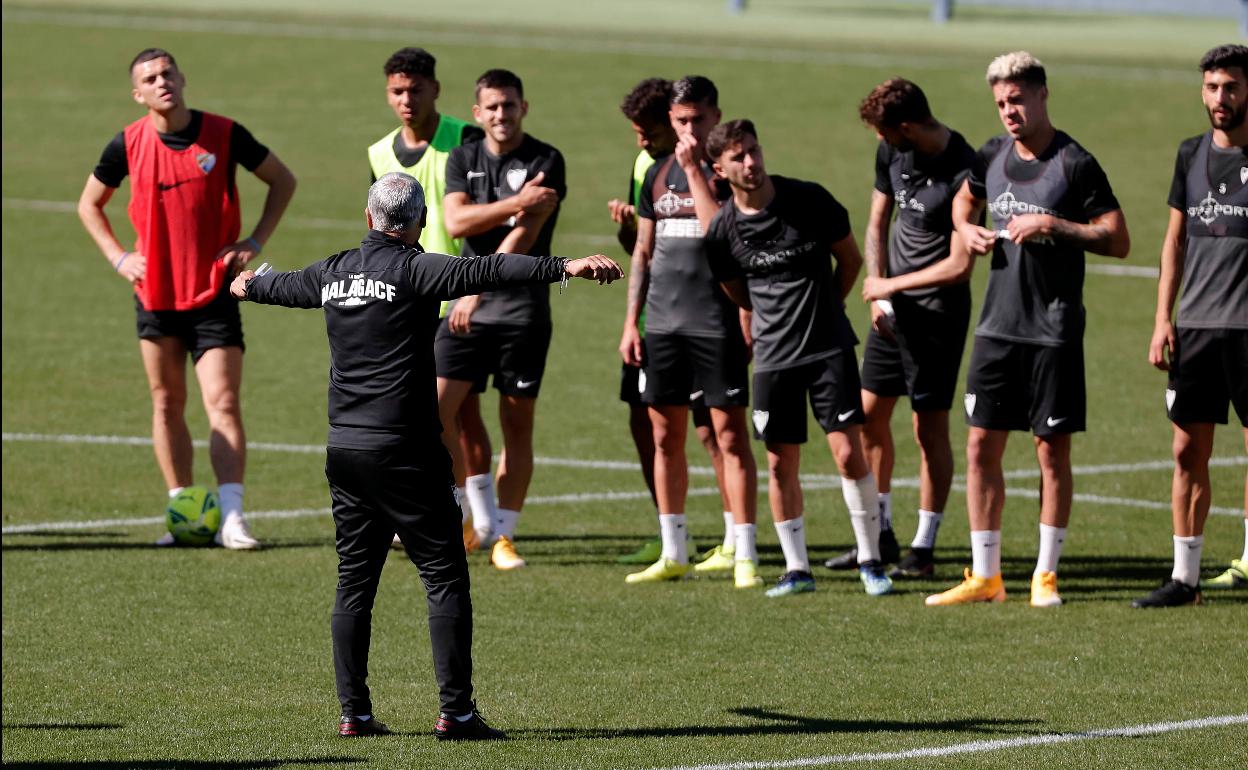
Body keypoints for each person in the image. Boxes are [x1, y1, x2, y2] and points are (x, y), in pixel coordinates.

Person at [230, 172, 622, 738]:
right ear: (415, 223)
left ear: (368, 218)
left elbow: (280, 286)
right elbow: (489, 269)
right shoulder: (415, 268)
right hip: (408, 452)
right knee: (443, 577)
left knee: (353, 581)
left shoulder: (335, 271)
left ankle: (353, 713)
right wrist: (567, 266)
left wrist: (248, 285)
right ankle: (457, 712)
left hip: (345, 449)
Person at [928, 51, 1130, 608]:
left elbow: (1117, 237)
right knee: (979, 446)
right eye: (1000, 103)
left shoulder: (1075, 162)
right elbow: (963, 202)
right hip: (997, 326)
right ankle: (986, 576)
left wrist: (1054, 225)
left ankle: (1044, 576)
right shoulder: (991, 154)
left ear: (1043, 96)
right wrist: (965, 230)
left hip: (1053, 329)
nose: (1009, 111)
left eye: (1017, 99)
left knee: (1049, 451)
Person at [77, 48, 296, 550]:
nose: (161, 82)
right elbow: (89, 204)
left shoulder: (223, 133)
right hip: (154, 295)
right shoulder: (127, 143)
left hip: (213, 291)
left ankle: (234, 516)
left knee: (222, 401)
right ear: (138, 93)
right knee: (166, 402)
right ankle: (183, 510)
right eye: (150, 78)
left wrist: (255, 241)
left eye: (167, 73)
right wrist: (117, 257)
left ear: (182, 77)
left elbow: (282, 180)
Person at [704, 119, 893, 597]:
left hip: (829, 347)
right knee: (779, 463)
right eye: (739, 157)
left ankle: (871, 560)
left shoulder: (809, 199)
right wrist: (772, 320)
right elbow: (737, 293)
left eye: (754, 150)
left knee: (848, 453)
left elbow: (849, 261)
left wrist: (827, 306)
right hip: (772, 358)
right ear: (719, 168)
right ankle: (797, 569)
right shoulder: (722, 232)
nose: (751, 162)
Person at [824, 79, 977, 579]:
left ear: (908, 126)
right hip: (891, 313)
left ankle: (924, 547)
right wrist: (879, 286)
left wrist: (894, 283)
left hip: (937, 315)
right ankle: (880, 532)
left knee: (927, 428)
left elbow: (959, 265)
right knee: (868, 418)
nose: (881, 141)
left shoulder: (967, 169)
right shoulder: (892, 154)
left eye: (886, 132)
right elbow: (876, 220)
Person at [619, 76, 760, 586]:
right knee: (664, 436)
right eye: (681, 120)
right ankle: (674, 550)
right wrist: (630, 322)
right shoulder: (655, 173)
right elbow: (643, 251)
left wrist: (698, 170)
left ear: (716, 116)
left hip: (715, 323)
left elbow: (720, 237)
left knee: (729, 435)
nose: (690, 130)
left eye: (699, 119)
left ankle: (744, 552)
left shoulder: (730, 175)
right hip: (662, 324)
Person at [1133, 44, 1248, 608]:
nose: (1219, 98)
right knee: (1186, 453)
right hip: (1196, 328)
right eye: (1211, 87)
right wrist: (1161, 319)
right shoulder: (1190, 154)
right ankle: (1185, 579)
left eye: (1229, 87)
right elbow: (1173, 241)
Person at [437, 69, 565, 570]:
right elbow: (455, 222)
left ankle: (504, 536)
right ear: (477, 114)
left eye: (509, 105)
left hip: (520, 311)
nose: (501, 115)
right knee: (434, 414)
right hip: (468, 307)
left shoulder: (546, 159)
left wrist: (477, 284)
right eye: (491, 107)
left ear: (523, 108)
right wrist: (514, 203)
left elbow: (526, 235)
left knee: (517, 423)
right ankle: (463, 516)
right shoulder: (462, 158)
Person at [367, 47, 484, 553]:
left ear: (436, 88)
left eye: (416, 88)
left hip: (461, 300)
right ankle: (480, 521)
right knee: (461, 419)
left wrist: (473, 288)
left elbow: (487, 219)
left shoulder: (466, 138)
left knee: (433, 417)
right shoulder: (378, 152)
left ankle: (448, 514)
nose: (407, 99)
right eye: (397, 90)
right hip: (408, 304)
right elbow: (377, 227)